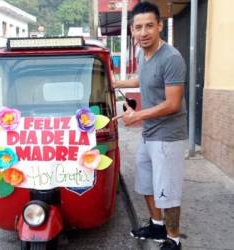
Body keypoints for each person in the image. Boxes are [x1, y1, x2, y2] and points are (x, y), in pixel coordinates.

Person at [112, 2, 187, 250]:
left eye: (148, 26)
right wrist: (115, 83)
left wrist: (138, 115)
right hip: (149, 132)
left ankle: (174, 239)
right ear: (133, 30)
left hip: (168, 136)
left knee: (167, 190)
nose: (143, 32)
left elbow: (173, 103)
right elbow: (140, 79)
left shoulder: (172, 58)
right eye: (138, 27)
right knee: (146, 183)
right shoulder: (141, 53)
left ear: (159, 26)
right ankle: (157, 225)